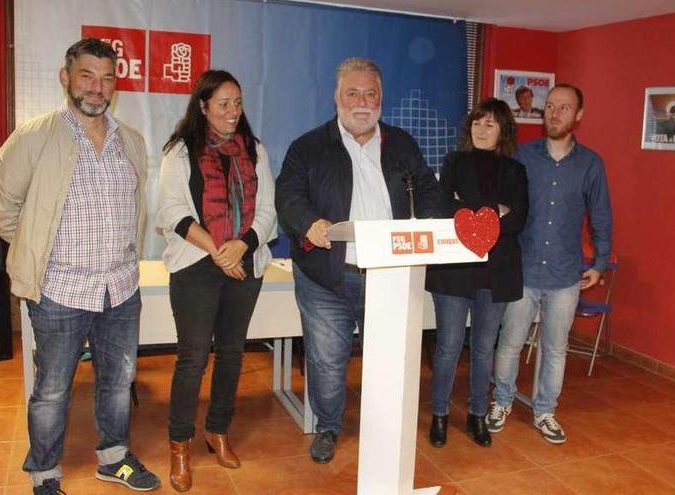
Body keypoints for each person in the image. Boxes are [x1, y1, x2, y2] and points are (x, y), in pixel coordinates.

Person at [0, 38, 160, 494]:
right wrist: (38, 251)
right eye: (87, 75)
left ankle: (114, 458)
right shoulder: (35, 137)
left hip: (120, 290)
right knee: (52, 391)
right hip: (59, 292)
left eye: (106, 78)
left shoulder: (131, 142)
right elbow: (0, 208)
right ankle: (44, 473)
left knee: (119, 383)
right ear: (66, 78)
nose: (96, 88)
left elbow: (135, 210)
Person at [275, 57, 445, 464]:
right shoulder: (309, 146)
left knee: (387, 360)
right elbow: (288, 196)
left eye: (371, 94)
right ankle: (328, 428)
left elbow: (427, 190)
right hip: (326, 277)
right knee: (327, 361)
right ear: (336, 98)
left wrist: (439, 222)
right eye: (353, 93)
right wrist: (307, 222)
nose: (362, 102)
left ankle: (381, 428)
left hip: (389, 275)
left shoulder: (402, 144)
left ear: (381, 98)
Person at [155, 69, 277, 491]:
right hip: (196, 264)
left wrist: (241, 246)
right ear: (203, 106)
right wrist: (216, 249)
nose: (232, 111)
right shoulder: (180, 150)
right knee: (192, 359)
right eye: (222, 103)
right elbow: (171, 211)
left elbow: (268, 210)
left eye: (237, 103)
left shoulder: (255, 150)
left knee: (232, 353)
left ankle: (218, 431)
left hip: (243, 261)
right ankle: (180, 444)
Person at [488, 83, 612, 444]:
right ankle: (502, 402)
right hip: (523, 270)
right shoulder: (522, 157)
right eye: (551, 106)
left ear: (578, 116)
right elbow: (500, 204)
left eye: (564, 108)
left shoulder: (591, 164)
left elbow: (601, 216)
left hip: (564, 275)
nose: (554, 113)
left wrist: (599, 262)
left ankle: (545, 411)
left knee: (555, 348)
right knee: (510, 343)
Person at [425, 98, 528, 448]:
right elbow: (442, 206)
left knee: (484, 348)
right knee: (448, 346)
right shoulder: (454, 161)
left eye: (491, 124)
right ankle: (439, 414)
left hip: (496, 272)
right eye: (477, 123)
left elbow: (518, 219)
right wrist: (492, 211)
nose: (482, 130)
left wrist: (467, 206)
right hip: (454, 270)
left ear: (503, 131)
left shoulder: (516, 171)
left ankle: (477, 415)